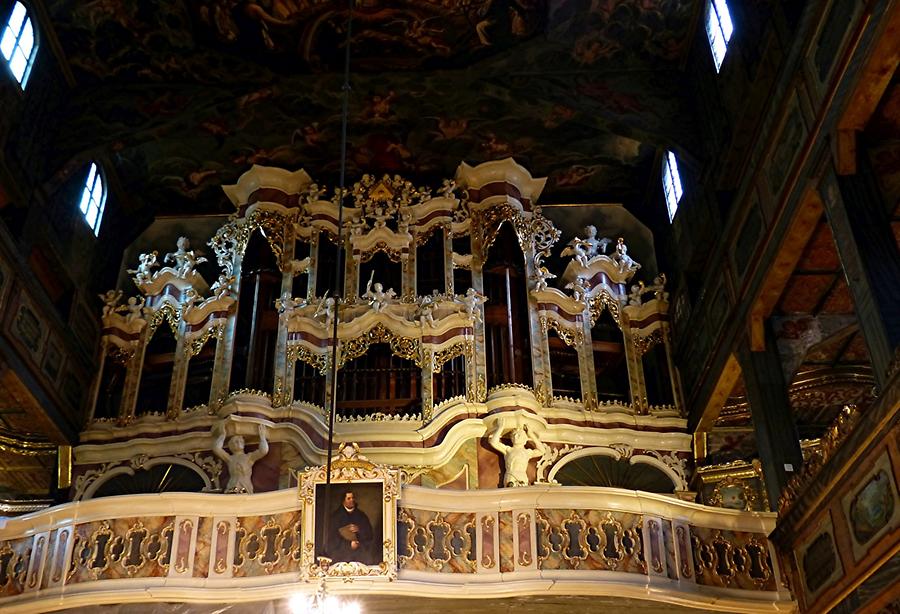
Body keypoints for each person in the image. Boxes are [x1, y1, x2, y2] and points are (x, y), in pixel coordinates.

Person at [212, 422, 269, 494]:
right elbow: (217, 449)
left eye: (241, 441)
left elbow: (263, 451)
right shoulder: (230, 459)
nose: (239, 443)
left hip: (245, 486)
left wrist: (262, 437)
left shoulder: (249, 457)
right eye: (236, 442)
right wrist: (222, 435)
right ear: (231, 446)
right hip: (232, 487)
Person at [327, 490, 376, 564]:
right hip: (341, 555)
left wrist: (359, 530)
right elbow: (331, 538)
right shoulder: (335, 517)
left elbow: (369, 534)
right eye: (349, 498)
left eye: (353, 498)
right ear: (343, 500)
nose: (352, 500)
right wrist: (348, 544)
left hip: (360, 554)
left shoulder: (362, 516)